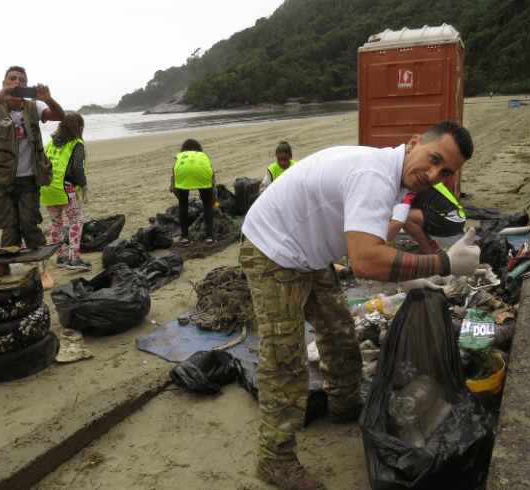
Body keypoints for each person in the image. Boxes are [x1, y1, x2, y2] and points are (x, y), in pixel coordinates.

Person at [239, 120, 480, 490]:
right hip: (273, 248)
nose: (434, 174)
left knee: (338, 332)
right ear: (414, 142)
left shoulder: (396, 177)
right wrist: (445, 263)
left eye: (446, 172)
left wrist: (405, 275)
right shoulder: (375, 175)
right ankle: (274, 460)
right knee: (284, 357)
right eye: (433, 160)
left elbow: (370, 244)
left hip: (311, 253)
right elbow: (366, 261)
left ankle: (345, 405)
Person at [0, 65, 65, 249]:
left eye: (21, 80)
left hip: (29, 179)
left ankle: (39, 268)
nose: (17, 82)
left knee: (30, 225)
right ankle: (8, 269)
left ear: (26, 86)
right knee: (9, 228)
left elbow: (59, 116)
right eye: (12, 79)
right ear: (4, 84)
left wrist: (48, 99)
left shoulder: (34, 106)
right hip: (2, 179)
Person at [40, 113, 91, 271]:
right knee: (76, 220)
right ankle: (73, 259)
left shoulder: (50, 144)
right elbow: (77, 168)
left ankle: (60, 257)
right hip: (65, 188)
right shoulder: (76, 144)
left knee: (55, 222)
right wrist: (84, 187)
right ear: (79, 127)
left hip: (47, 187)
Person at [386, 182, 466, 254]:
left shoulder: (414, 188)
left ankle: (429, 252)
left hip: (452, 222)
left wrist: (382, 244)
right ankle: (432, 247)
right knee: (404, 216)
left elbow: (399, 220)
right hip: (452, 217)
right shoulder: (419, 179)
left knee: (406, 217)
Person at [169, 139, 217, 244]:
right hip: (202, 173)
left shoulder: (180, 157)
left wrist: (179, 197)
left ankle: (185, 238)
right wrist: (213, 199)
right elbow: (212, 178)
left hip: (183, 173)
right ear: (198, 148)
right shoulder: (203, 156)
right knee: (207, 204)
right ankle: (209, 237)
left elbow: (173, 182)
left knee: (183, 204)